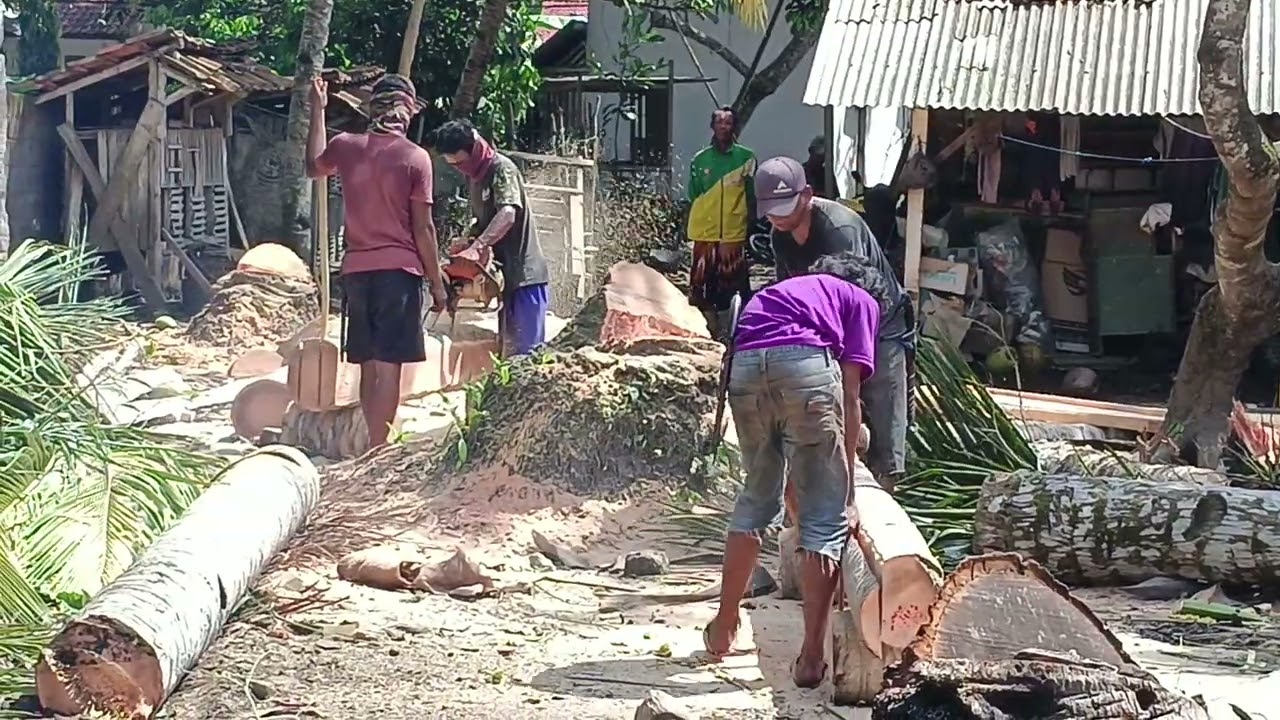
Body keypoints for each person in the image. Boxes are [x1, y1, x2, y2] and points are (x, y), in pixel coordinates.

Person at [703, 252, 884, 688]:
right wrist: (848, 492)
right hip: (805, 367)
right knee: (824, 520)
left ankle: (724, 626)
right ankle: (809, 658)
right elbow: (850, 395)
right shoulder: (861, 299)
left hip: (745, 368)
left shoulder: (785, 292)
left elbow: (761, 357)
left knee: (755, 499)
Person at [305, 74, 447, 450]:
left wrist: (317, 111)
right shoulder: (416, 159)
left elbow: (312, 167)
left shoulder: (345, 146)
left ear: (372, 108)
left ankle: (373, 441)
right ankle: (380, 447)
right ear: (408, 112)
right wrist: (437, 283)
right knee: (388, 367)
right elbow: (424, 228)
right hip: (398, 275)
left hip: (356, 273)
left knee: (368, 363)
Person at [755, 155, 913, 491]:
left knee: (878, 394)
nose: (779, 218)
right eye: (772, 211)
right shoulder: (779, 236)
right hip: (825, 317)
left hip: (876, 318)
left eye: (786, 207)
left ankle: (886, 479)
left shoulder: (839, 230)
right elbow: (791, 294)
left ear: (807, 194)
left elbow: (852, 308)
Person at [431, 120, 551, 356]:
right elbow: (484, 220)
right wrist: (468, 240)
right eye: (454, 166)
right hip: (506, 280)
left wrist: (479, 245)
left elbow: (507, 214)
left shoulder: (501, 169)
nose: (460, 169)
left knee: (527, 356)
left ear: (474, 148)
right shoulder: (476, 178)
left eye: (461, 163)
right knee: (507, 355)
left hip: (526, 279)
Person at [686, 106, 756, 338]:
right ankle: (704, 329)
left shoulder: (746, 158)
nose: (724, 127)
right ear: (712, 126)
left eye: (728, 123)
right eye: (719, 122)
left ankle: (734, 329)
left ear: (734, 126)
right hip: (704, 232)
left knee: (734, 284)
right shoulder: (700, 160)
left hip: (733, 232)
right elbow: (693, 194)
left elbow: (751, 194)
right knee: (701, 285)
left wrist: (751, 225)